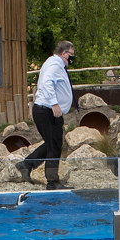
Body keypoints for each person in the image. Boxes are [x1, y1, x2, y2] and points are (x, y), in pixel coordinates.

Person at [14, 40, 74, 189]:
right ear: (63, 53)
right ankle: (52, 182)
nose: (72, 58)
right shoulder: (54, 65)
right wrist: (54, 103)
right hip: (47, 110)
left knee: (53, 143)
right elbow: (47, 83)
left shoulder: (55, 64)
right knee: (54, 145)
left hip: (48, 111)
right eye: (71, 55)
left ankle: (26, 164)